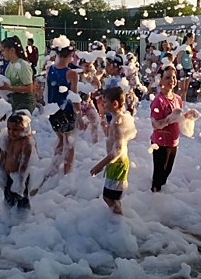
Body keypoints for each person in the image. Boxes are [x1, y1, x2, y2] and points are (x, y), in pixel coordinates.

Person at [90, 87, 135, 215]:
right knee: (113, 197)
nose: (102, 104)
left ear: (114, 104)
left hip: (118, 164)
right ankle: (118, 221)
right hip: (118, 163)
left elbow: (118, 150)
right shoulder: (119, 119)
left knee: (108, 197)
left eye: (104, 102)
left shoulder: (117, 122)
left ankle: (119, 221)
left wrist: (100, 165)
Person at [47, 38, 83, 175]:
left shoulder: (50, 69)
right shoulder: (71, 73)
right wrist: (79, 115)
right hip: (66, 111)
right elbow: (74, 96)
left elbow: (47, 92)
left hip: (53, 111)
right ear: (71, 55)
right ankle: (67, 175)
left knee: (61, 140)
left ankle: (53, 169)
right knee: (70, 143)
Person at [149, 66, 184, 192]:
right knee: (159, 175)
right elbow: (155, 124)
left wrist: (188, 117)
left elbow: (178, 118)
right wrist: (169, 119)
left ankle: (161, 197)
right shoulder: (158, 101)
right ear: (160, 81)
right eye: (167, 77)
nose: (172, 80)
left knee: (167, 173)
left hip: (173, 141)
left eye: (174, 77)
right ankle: (154, 198)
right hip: (160, 143)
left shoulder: (177, 98)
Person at [0, 112, 35, 213]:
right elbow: (3, 156)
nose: (11, 132)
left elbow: (24, 163)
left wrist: (20, 182)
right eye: (9, 129)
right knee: (8, 198)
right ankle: (8, 217)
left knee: (22, 199)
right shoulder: (7, 139)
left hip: (20, 177)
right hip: (8, 175)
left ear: (24, 129)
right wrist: (0, 172)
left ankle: (23, 219)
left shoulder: (26, 142)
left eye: (15, 130)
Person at [0, 36, 35, 114]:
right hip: (14, 101)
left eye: (3, 50)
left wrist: (9, 88)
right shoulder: (10, 65)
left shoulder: (23, 65)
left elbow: (29, 88)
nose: (2, 53)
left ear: (12, 50)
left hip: (25, 102)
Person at [79, 58, 101, 144]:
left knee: (95, 122)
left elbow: (98, 86)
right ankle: (79, 142)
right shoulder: (77, 75)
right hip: (78, 103)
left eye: (90, 66)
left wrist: (94, 75)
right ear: (81, 66)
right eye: (86, 66)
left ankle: (95, 142)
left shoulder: (91, 76)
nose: (88, 68)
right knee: (78, 126)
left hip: (88, 102)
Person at [177, 33, 194, 102]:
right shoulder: (183, 47)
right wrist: (180, 69)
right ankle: (175, 101)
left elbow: (190, 59)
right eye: (192, 38)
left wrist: (192, 68)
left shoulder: (189, 47)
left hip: (188, 68)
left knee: (186, 88)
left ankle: (184, 101)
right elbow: (179, 58)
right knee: (181, 88)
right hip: (183, 68)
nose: (193, 40)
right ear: (187, 38)